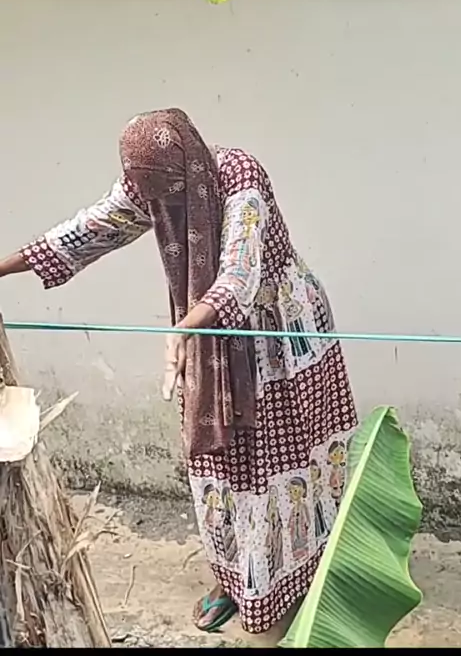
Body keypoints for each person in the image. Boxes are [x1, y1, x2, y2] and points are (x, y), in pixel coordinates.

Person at [0, 108, 357, 635]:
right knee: (219, 463)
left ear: (189, 165)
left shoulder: (240, 176)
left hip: (280, 336)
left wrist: (181, 330)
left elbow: (239, 275)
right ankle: (238, 578)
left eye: (171, 193)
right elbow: (89, 230)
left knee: (283, 459)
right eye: (153, 196)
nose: (164, 205)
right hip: (205, 331)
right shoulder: (152, 185)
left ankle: (299, 571)